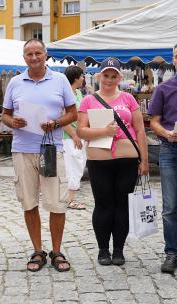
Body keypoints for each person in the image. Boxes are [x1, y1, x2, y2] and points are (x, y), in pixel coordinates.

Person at [2, 39, 77, 272]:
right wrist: (12, 121)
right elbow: (4, 115)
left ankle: (56, 251)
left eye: (37, 53)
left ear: (46, 55)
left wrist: (56, 123)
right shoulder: (15, 82)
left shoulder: (60, 80)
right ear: (24, 57)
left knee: (56, 203)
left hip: (51, 150)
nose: (33, 57)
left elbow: (73, 113)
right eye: (28, 54)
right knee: (29, 202)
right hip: (23, 150)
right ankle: (37, 250)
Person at [77, 57, 149, 266]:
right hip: (100, 158)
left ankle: (118, 249)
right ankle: (102, 250)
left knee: (122, 204)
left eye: (113, 75)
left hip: (127, 158)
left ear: (119, 77)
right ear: (99, 76)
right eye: (105, 75)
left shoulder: (128, 98)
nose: (109, 79)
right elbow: (81, 130)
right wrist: (104, 131)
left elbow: (140, 130)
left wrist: (144, 160)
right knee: (103, 204)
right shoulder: (88, 100)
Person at [148, 44, 177, 274]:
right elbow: (154, 122)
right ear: (173, 60)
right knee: (170, 207)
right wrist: (167, 133)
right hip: (170, 149)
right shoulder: (164, 88)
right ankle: (172, 252)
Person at [63, 66, 87, 210]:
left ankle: (70, 198)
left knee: (79, 165)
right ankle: (69, 200)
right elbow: (62, 118)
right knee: (71, 167)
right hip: (68, 136)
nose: (83, 78)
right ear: (76, 78)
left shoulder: (78, 93)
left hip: (79, 134)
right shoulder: (65, 94)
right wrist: (74, 135)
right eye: (82, 76)